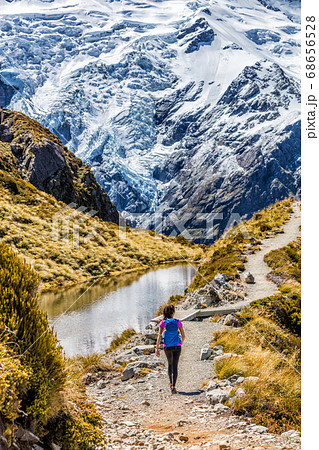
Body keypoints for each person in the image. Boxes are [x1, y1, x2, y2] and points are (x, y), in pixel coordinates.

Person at [155, 304, 185, 394]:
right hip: (177, 346)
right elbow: (183, 335)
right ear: (173, 312)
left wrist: (157, 348)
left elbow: (159, 336)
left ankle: (171, 384)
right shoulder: (177, 322)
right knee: (175, 366)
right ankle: (174, 387)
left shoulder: (163, 323)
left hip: (167, 347)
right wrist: (181, 343)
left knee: (170, 364)